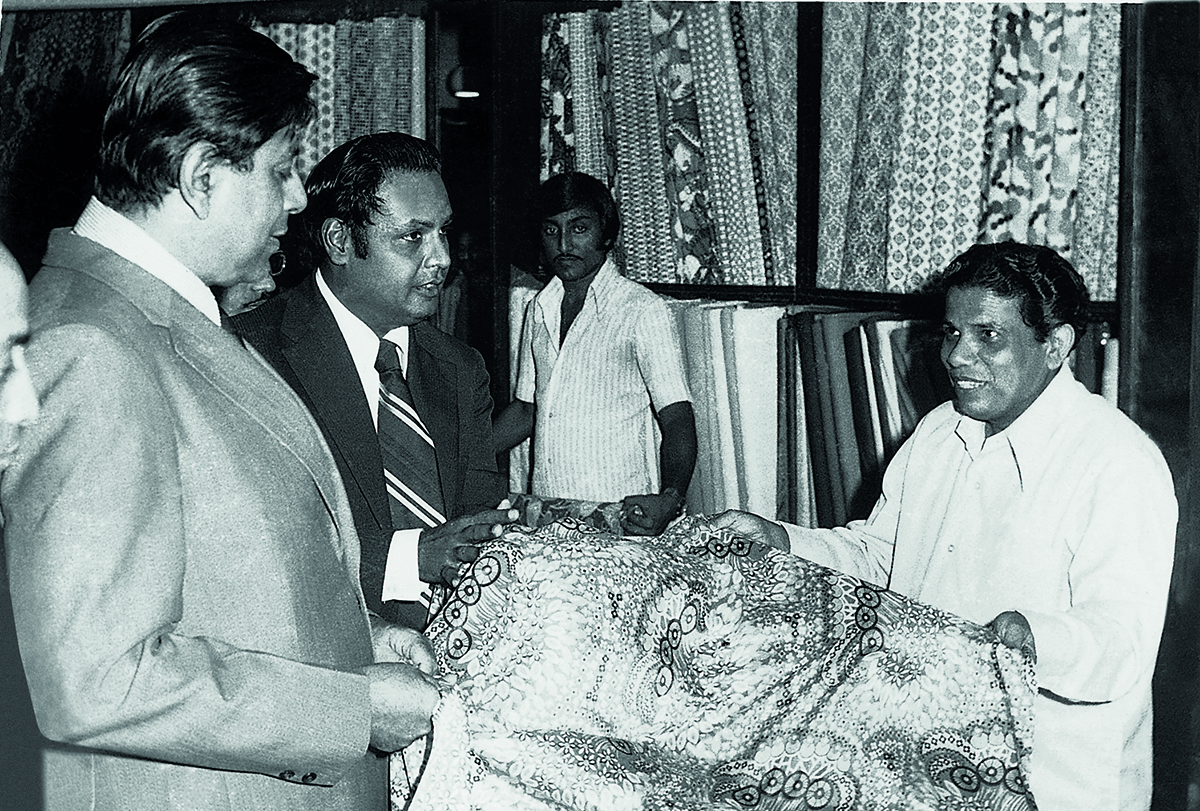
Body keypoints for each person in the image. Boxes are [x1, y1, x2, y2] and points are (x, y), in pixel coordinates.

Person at [1, 14, 442, 810]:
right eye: (282, 169)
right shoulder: (92, 346)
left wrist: (359, 640)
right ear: (202, 176)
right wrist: (354, 707)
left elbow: (226, 575)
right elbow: (97, 677)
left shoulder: (159, 317)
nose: (298, 196)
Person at [714, 241, 1176, 811]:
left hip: (1056, 782)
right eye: (952, 333)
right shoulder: (939, 432)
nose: (957, 356)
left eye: (988, 336)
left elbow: (1122, 642)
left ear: (1055, 346)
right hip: (925, 765)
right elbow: (882, 559)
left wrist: (1030, 637)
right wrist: (783, 541)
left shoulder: (1116, 461)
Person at [235, 132, 512, 631]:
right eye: (413, 237)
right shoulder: (253, 354)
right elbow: (254, 544)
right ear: (340, 242)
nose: (442, 258)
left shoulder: (460, 368)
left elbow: (478, 521)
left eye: (443, 232)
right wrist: (406, 560)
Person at [493, 171, 697, 536]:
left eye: (579, 228)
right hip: (549, 515)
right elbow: (526, 410)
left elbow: (677, 416)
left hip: (621, 516)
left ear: (607, 234)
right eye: (551, 230)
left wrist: (670, 498)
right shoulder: (538, 309)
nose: (564, 244)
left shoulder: (641, 310)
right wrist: (458, 458)